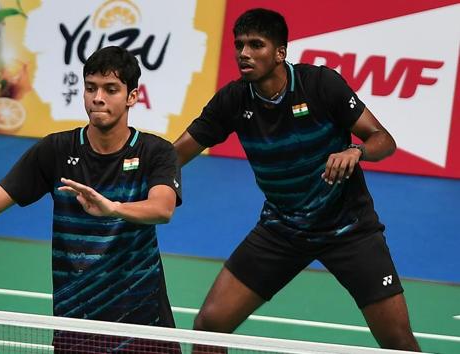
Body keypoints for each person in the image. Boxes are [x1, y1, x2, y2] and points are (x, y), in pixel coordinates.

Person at [173, 8, 420, 352]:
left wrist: (356, 151)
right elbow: (178, 152)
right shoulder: (233, 99)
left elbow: (383, 139)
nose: (243, 53)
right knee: (209, 325)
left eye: (256, 45)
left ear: (280, 53)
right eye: (239, 45)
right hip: (282, 229)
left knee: (398, 342)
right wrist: (133, 179)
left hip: (349, 229)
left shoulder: (320, 85)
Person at [0, 46, 182, 352]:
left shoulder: (155, 151)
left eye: (111, 89)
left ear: (132, 96)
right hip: (76, 322)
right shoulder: (56, 150)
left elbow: (163, 207)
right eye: (91, 88)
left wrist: (113, 208)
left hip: (143, 323)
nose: (98, 98)